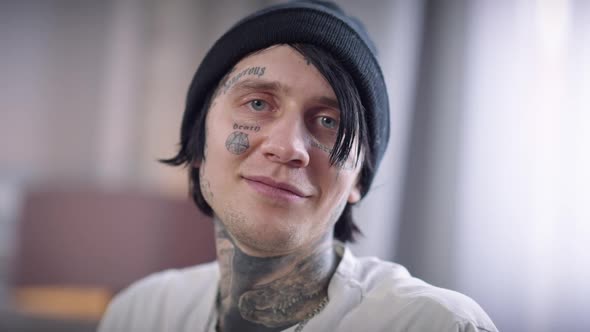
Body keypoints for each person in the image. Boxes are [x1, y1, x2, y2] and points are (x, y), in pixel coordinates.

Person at [98, 1, 498, 331]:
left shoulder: (435, 325)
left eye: (329, 121)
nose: (288, 147)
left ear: (358, 178)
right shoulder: (139, 314)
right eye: (258, 103)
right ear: (199, 142)